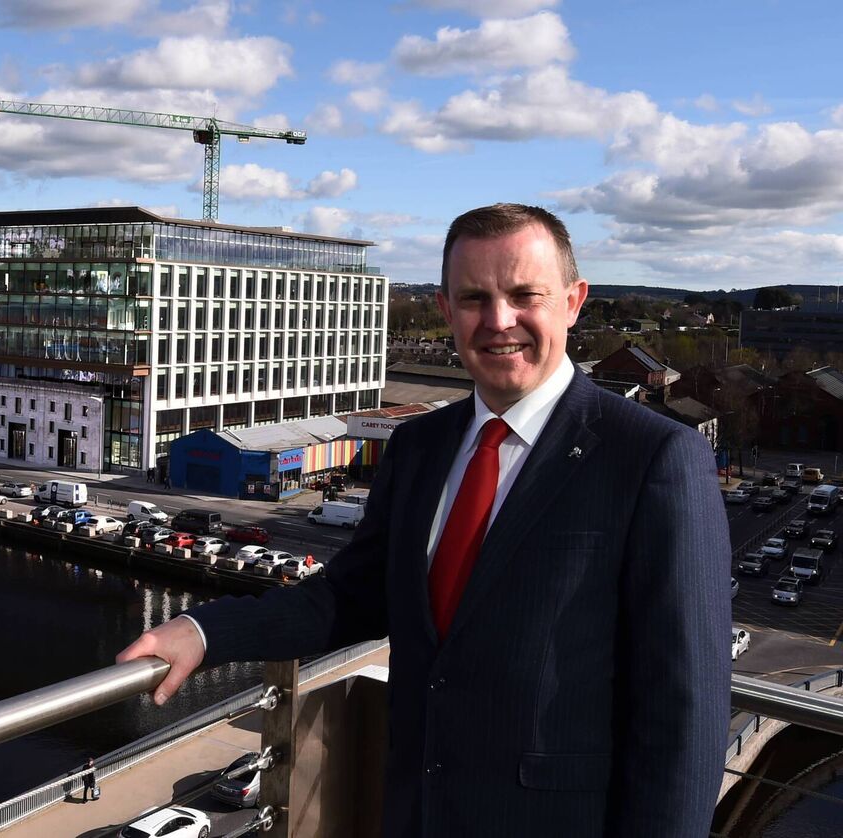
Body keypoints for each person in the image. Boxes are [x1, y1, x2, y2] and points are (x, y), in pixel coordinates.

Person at [118, 204, 731, 837]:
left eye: (526, 295)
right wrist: (205, 631)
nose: (499, 321)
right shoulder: (419, 446)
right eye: (474, 298)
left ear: (574, 302)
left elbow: (684, 711)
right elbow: (351, 597)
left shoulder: (654, 457)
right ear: (444, 310)